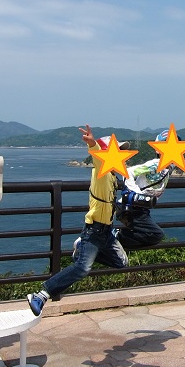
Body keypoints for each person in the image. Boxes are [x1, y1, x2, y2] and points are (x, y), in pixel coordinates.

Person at [27, 124, 132, 316]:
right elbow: (97, 157)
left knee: (122, 263)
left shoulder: (112, 176)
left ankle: (81, 249)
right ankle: (41, 295)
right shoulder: (101, 172)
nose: (121, 155)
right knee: (83, 268)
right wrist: (92, 144)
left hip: (107, 232)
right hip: (94, 230)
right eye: (116, 151)